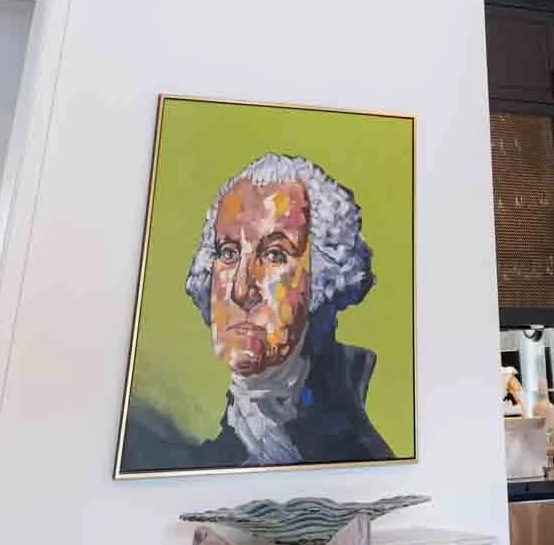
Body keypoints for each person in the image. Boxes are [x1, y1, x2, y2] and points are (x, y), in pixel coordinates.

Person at [119, 151, 393, 470]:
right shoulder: (169, 450)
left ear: (323, 277)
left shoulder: (360, 455)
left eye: (275, 255)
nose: (241, 289)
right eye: (229, 253)